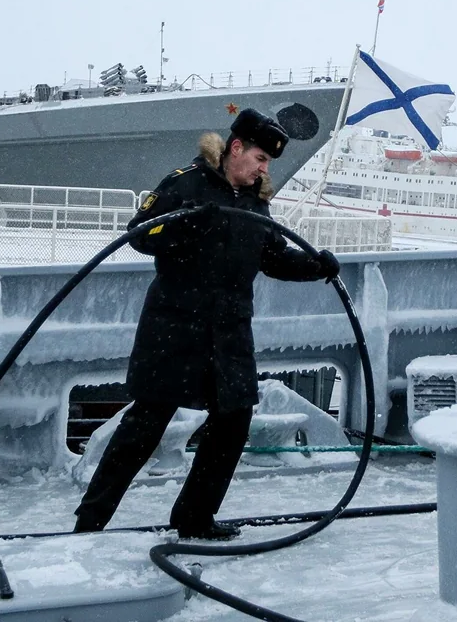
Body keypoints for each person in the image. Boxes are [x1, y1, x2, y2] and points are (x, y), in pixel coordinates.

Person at [73, 108, 341, 540]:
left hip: (229, 334)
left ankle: (194, 518)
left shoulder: (256, 204)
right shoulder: (185, 183)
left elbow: (271, 257)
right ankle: (90, 520)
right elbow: (141, 234)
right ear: (235, 149)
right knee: (144, 427)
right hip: (174, 329)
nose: (263, 169)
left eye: (267, 164)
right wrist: (187, 225)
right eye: (259, 158)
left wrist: (316, 266)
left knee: (232, 424)